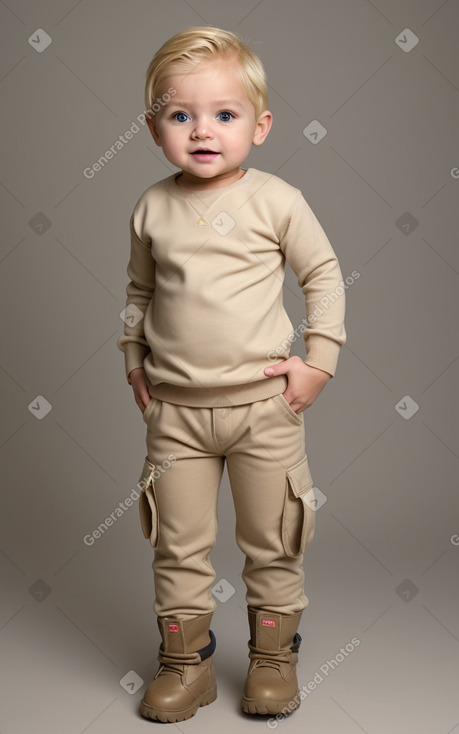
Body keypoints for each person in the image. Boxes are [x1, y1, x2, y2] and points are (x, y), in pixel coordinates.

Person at [117, 26, 346, 724]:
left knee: (272, 539)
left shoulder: (277, 199)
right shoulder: (153, 207)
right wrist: (134, 361)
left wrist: (319, 362)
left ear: (260, 124)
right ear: (155, 126)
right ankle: (185, 665)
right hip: (177, 416)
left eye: (224, 114)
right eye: (179, 115)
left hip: (263, 408)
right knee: (177, 546)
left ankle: (273, 662)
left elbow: (324, 275)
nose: (202, 131)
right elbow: (138, 294)